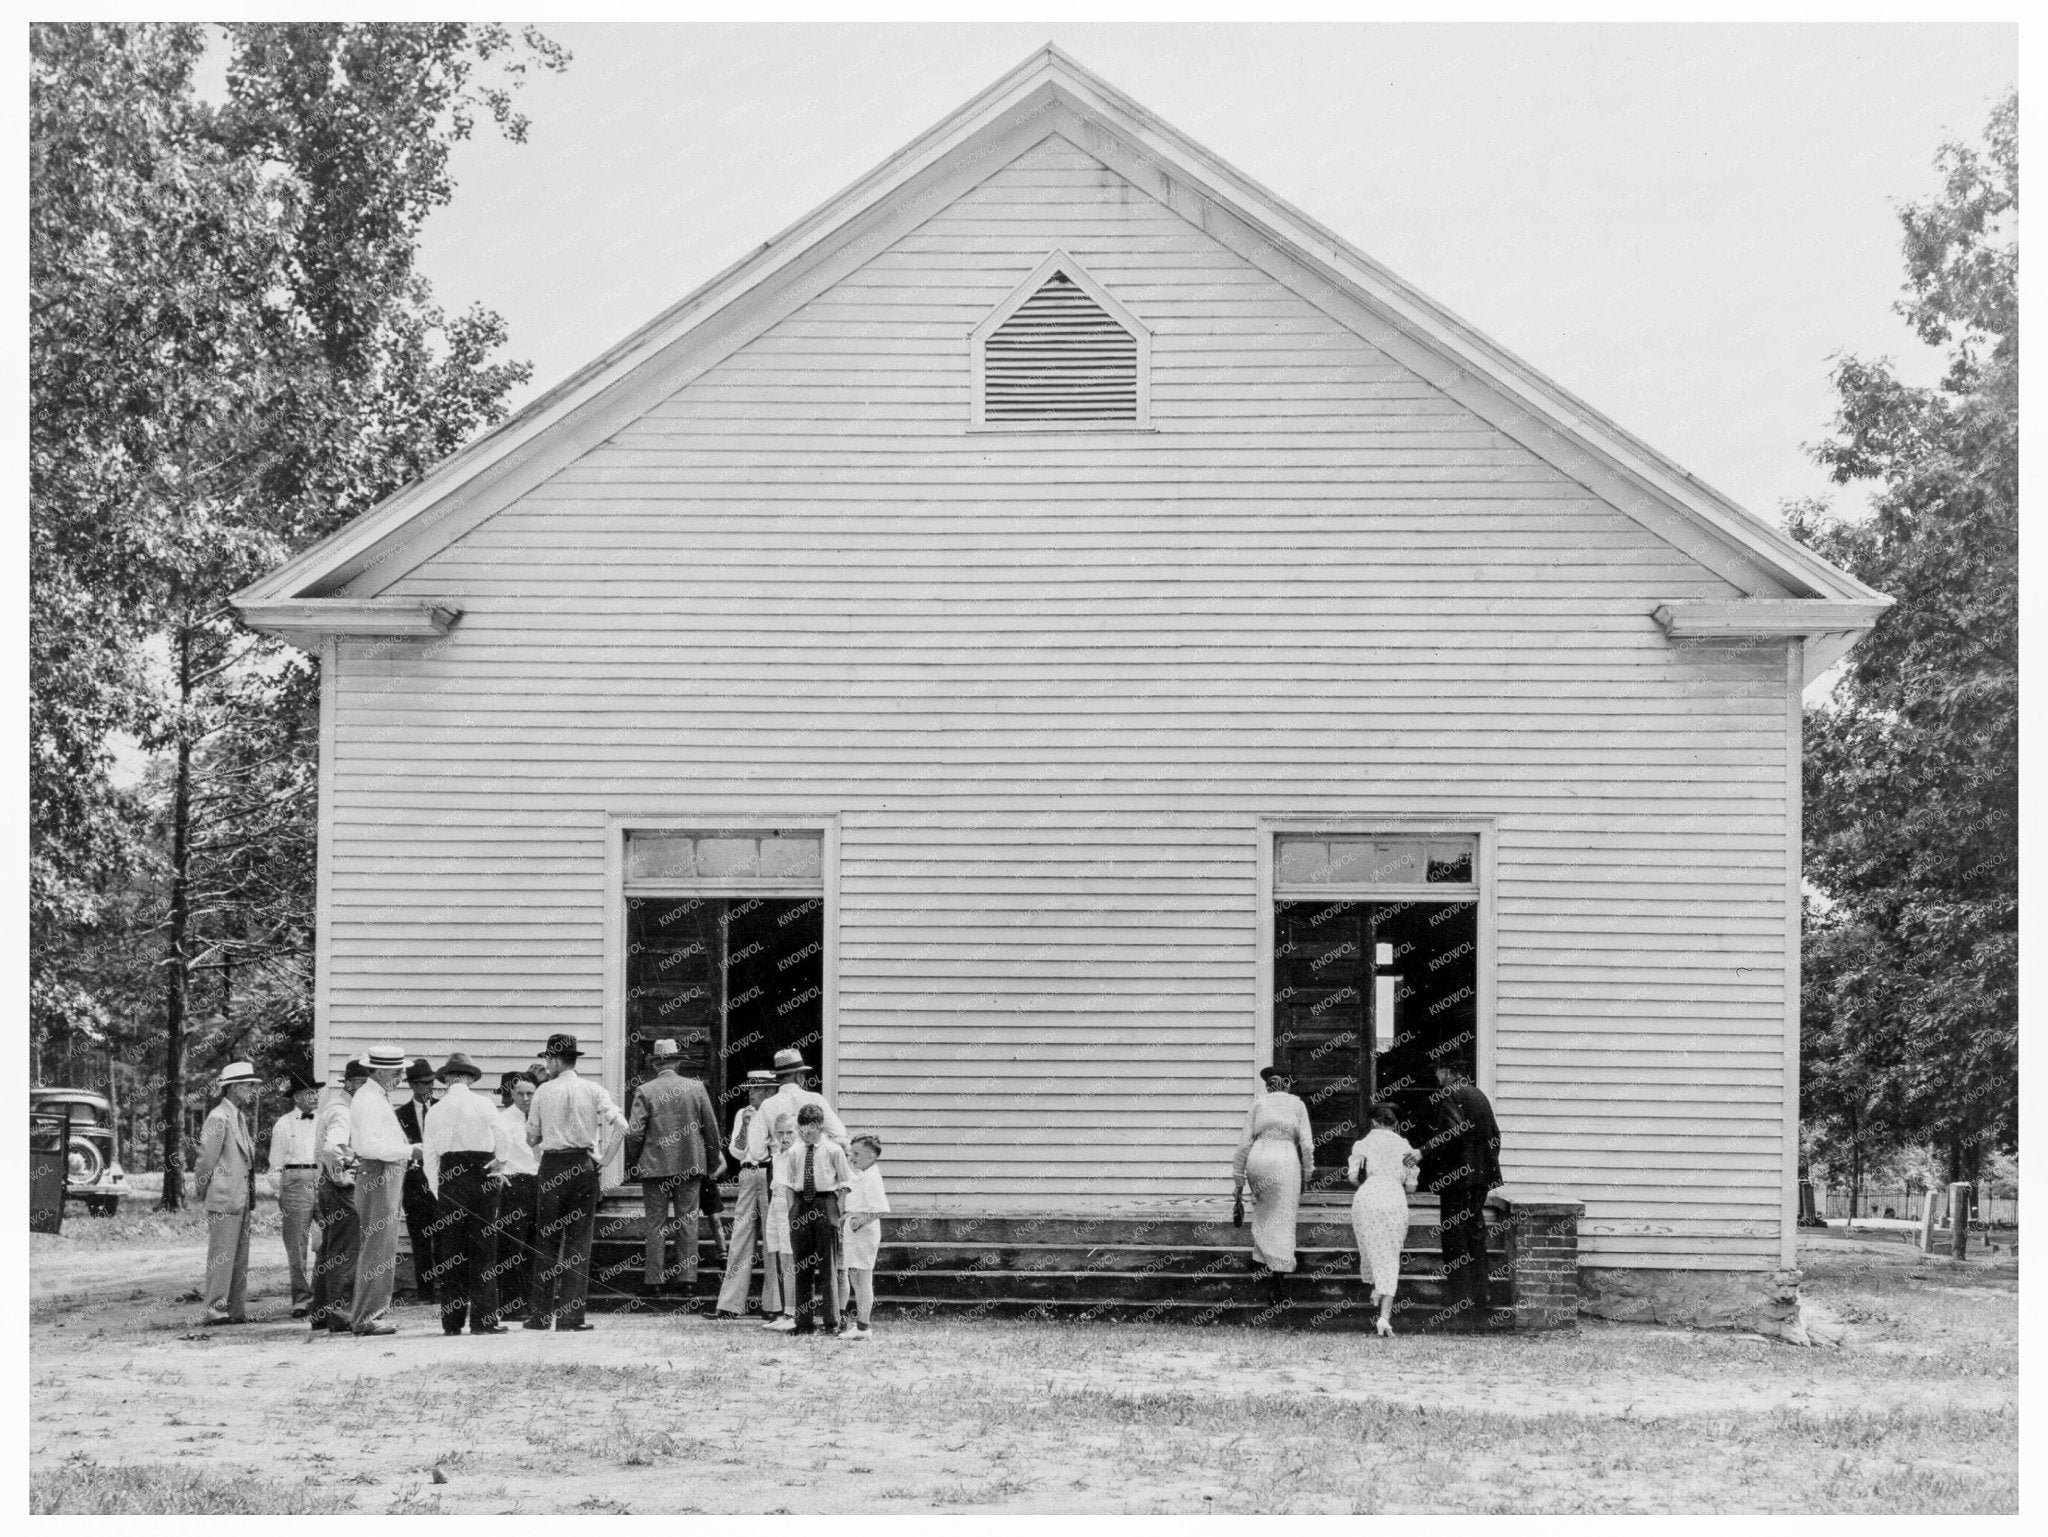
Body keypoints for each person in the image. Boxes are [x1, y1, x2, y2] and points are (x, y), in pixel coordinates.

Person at [524, 1032, 628, 1331]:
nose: (547, 1065)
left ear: (555, 1060)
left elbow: (531, 1136)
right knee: (578, 1243)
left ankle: (540, 1316)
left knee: (547, 1240)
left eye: (548, 1059)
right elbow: (622, 1125)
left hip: (553, 1166)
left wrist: (542, 1142)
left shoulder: (543, 1092)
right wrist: (605, 1160)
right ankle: (571, 1317)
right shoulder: (593, 1089)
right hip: (583, 1165)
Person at [422, 1052, 515, 1336]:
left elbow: (429, 1158)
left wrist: (441, 1192)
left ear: (448, 1079)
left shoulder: (435, 1110)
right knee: (483, 1251)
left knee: (451, 1253)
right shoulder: (483, 1103)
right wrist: (501, 1160)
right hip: (481, 1176)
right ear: (470, 1078)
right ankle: (484, 1321)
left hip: (450, 1180)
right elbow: (503, 1135)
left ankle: (452, 1323)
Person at [625, 1038, 724, 1302]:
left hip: (655, 1166)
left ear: (656, 1063)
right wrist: (712, 1163)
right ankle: (688, 1280)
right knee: (687, 1221)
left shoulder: (645, 1090)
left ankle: (654, 1281)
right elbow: (711, 1130)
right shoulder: (695, 1087)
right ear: (678, 1061)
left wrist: (637, 1160)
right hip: (689, 1164)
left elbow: (634, 1133)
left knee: (655, 1224)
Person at [348, 1045, 421, 1337]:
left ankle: (372, 1312)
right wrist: (410, 1150)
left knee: (383, 1245)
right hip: (378, 1172)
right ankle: (367, 1316)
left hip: (386, 1171)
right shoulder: (367, 1099)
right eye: (396, 1071)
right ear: (378, 1070)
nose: (401, 1076)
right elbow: (368, 1146)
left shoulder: (375, 1097)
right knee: (377, 1245)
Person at [1430, 1063, 1504, 1326]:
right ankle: (1479, 1298)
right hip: (1478, 1179)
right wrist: (1484, 1169)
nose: (1436, 1076)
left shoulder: (1451, 1094)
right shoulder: (1479, 1095)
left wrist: (1424, 1151)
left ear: (1449, 1072)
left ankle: (1459, 1300)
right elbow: (1495, 1135)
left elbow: (1452, 1133)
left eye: (1439, 1071)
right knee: (1475, 1232)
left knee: (1454, 1237)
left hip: (1458, 1180)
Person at [776, 1103, 853, 1338]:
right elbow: (789, 1184)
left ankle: (832, 1321)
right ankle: (804, 1322)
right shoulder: (796, 1152)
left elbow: (845, 1183)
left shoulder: (833, 1150)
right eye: (801, 1127)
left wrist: (836, 1212)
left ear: (819, 1126)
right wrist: (793, 1211)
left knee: (828, 1265)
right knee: (802, 1266)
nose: (804, 1132)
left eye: (809, 1127)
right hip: (801, 1205)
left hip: (825, 1202)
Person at [194, 1061, 261, 1326]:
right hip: (225, 1197)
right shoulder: (218, 1117)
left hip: (241, 1197)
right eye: (247, 1085)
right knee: (221, 1256)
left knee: (239, 1258)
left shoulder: (239, 1117)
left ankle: (235, 1310)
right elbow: (205, 1160)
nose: (251, 1090)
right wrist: (203, 1191)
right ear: (232, 1088)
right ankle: (215, 1310)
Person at [1232, 1067, 1315, 1276]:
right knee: (1283, 1215)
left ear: (1268, 1086)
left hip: (1258, 1158)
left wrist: (1239, 1180)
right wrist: (1307, 1173)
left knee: (1263, 1209)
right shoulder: (1297, 1104)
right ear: (1287, 1084)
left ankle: (1259, 1260)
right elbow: (1307, 1145)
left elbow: (1243, 1146)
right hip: (1284, 1158)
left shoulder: (1258, 1104)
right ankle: (1278, 1274)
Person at [714, 1070, 783, 1320]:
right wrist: (744, 1126)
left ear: (769, 1091)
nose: (750, 1093)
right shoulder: (743, 1114)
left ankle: (774, 1305)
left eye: (756, 1089)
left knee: (771, 1237)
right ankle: (730, 1304)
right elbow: (737, 1151)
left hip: (769, 1173)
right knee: (741, 1235)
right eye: (750, 1089)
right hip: (747, 1174)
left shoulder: (778, 1112)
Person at [1347, 1103, 1419, 1337]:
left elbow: (1353, 1178)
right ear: (1394, 1124)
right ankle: (1384, 1316)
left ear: (1374, 1122)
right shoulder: (1404, 1146)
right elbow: (1411, 1186)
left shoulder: (1363, 1144)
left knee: (1372, 1247)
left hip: (1368, 1197)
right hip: (1392, 1198)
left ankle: (1378, 1289)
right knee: (1390, 1253)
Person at [309, 1058, 370, 1334]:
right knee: (346, 1250)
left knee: (329, 1250)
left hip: (326, 1185)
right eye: (365, 1083)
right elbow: (332, 1148)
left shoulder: (332, 1107)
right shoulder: (344, 1111)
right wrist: (339, 1176)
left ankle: (321, 1310)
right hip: (341, 1187)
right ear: (355, 1083)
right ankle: (341, 1313)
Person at [267, 1071, 324, 1318]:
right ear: (297, 1097)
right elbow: (275, 1163)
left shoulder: (324, 1120)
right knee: (296, 1243)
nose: (315, 1098)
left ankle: (323, 1294)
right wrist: (280, 1190)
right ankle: (301, 1299)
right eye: (310, 1093)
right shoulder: (283, 1123)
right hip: (295, 1180)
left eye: (316, 1093)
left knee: (329, 1236)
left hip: (322, 1179)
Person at [488, 1071, 540, 1325]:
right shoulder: (504, 1120)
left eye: (530, 1093)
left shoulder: (541, 1117)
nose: (526, 1098)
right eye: (520, 1094)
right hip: (515, 1184)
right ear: (511, 1095)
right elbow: (499, 1153)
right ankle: (511, 1305)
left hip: (539, 1183)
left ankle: (532, 1302)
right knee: (513, 1247)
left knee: (535, 1245)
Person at [394, 1057, 440, 1302]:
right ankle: (426, 1291)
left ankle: (447, 1289)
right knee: (420, 1240)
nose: (429, 1087)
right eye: (423, 1083)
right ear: (412, 1085)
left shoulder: (443, 1108)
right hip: (414, 1186)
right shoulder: (399, 1114)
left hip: (443, 1184)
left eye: (431, 1082)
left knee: (445, 1239)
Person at [838, 1134, 889, 1339]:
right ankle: (860, 1325)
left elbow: (881, 1209)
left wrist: (857, 1222)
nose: (852, 1158)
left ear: (871, 1155)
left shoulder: (872, 1176)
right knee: (855, 1277)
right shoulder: (861, 1174)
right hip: (855, 1228)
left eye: (857, 1154)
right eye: (851, 1153)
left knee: (863, 1278)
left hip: (864, 1231)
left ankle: (863, 1327)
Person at [757, 1112, 800, 1332]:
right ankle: (784, 1311)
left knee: (789, 1259)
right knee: (778, 1258)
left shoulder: (797, 1154)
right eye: (780, 1133)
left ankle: (792, 1313)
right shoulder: (777, 1155)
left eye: (789, 1132)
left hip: (789, 1205)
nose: (785, 1137)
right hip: (775, 1203)